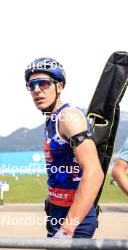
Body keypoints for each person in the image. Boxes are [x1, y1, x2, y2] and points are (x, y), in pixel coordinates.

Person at [25, 57, 104, 238]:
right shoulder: (51, 118)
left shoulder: (69, 117)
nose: (37, 90)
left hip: (74, 219)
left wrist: (68, 229)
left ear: (59, 86)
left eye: (43, 83)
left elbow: (94, 173)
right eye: (32, 85)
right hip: (57, 212)